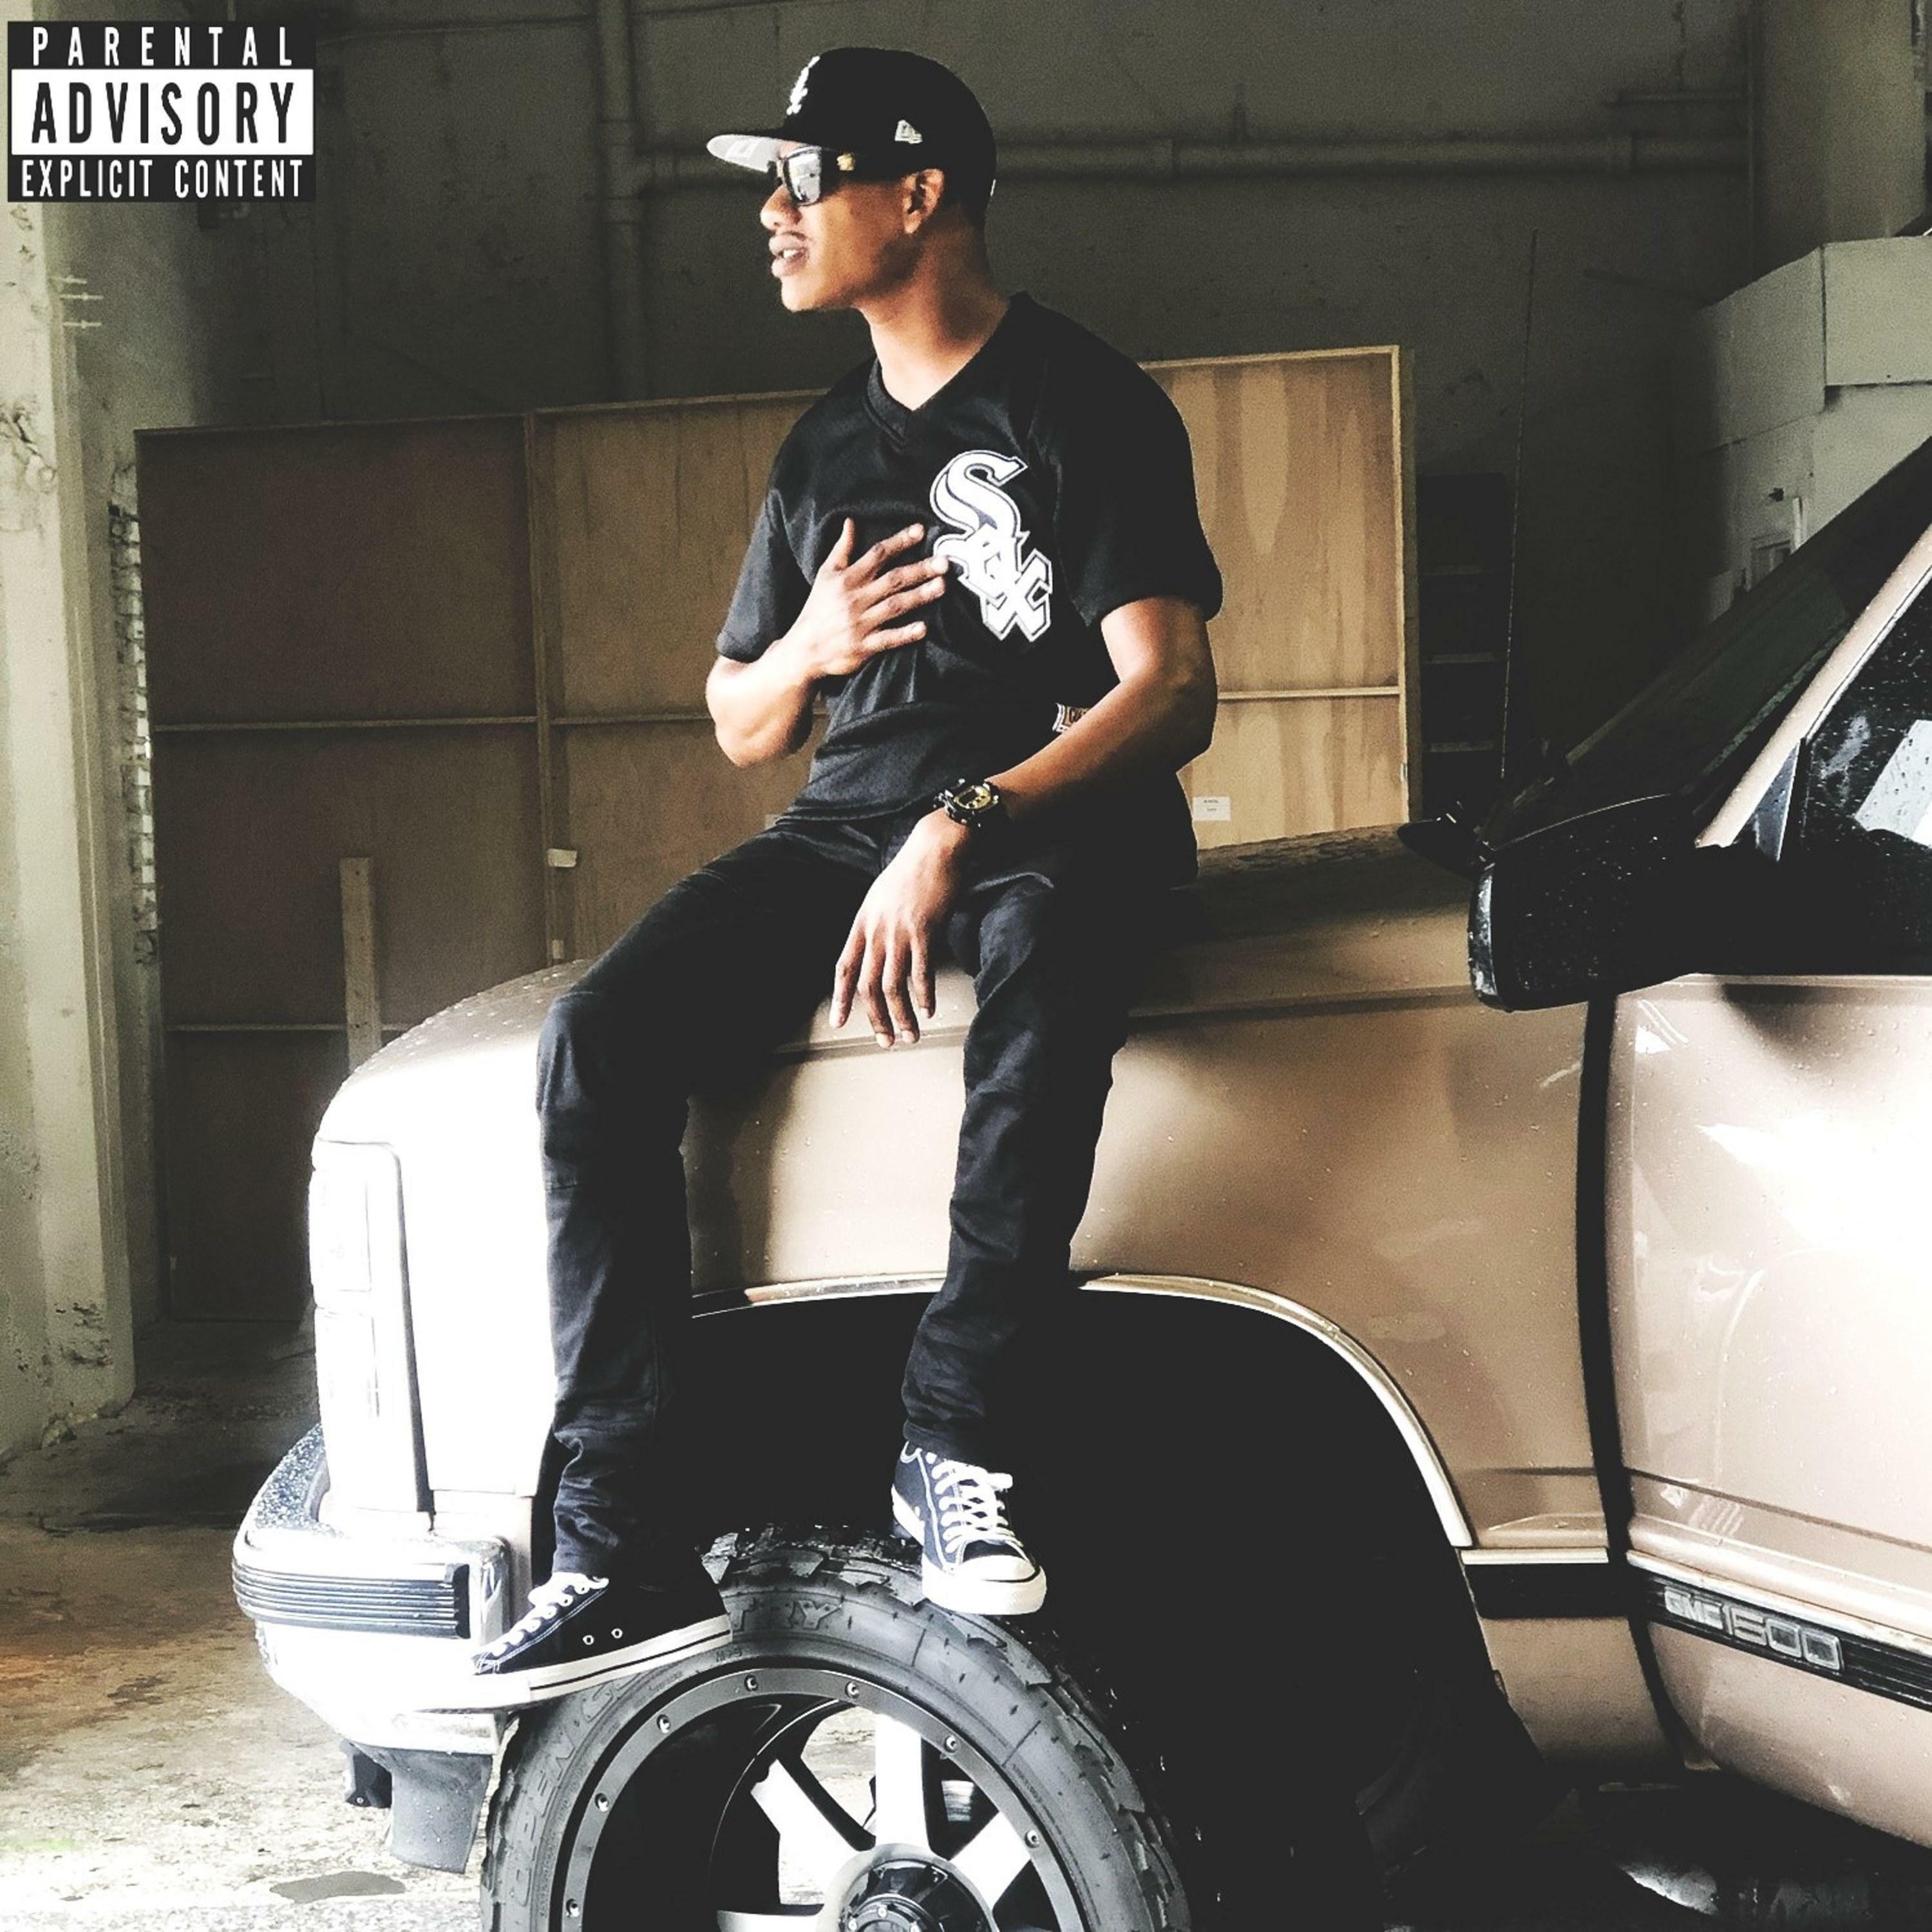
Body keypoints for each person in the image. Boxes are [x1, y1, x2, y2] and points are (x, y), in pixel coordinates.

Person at [467, 45, 1222, 1705]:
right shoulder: (821, 451)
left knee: (1052, 957)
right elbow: (743, 725)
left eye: (804, 179)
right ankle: (621, 1541)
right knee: (597, 1041)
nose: (773, 212)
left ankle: (958, 1436)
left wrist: (959, 823)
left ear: (920, 192)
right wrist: (805, 649)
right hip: (840, 828)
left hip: (1048, 821)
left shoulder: (1083, 401)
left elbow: (1169, 689)